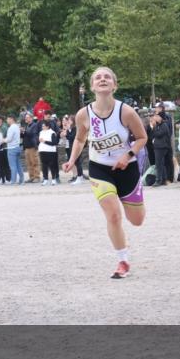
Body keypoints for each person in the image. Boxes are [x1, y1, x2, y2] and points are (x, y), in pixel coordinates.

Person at [63, 67, 149, 279]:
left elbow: (142, 138)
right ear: (92, 86)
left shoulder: (126, 111)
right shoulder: (83, 114)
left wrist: (127, 155)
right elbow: (80, 139)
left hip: (126, 168)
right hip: (100, 168)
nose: (102, 79)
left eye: (107, 77)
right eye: (98, 77)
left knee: (136, 220)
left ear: (114, 85)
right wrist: (73, 159)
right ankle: (123, 260)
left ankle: (133, 210)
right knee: (112, 214)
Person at [149, 111, 173, 187]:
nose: (154, 118)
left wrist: (153, 127)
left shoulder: (164, 125)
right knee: (161, 164)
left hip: (162, 147)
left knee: (158, 164)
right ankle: (163, 179)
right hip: (158, 147)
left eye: (156, 116)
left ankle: (158, 180)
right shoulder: (158, 125)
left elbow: (158, 134)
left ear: (160, 117)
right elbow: (152, 136)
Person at [37, 119, 60, 186]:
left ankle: (53, 179)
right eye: (42, 126)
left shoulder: (52, 133)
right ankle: (45, 179)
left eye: (43, 126)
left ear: (47, 126)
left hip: (50, 151)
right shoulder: (41, 132)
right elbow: (39, 141)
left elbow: (54, 143)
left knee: (52, 166)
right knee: (44, 166)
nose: (42, 127)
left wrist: (45, 141)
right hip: (42, 151)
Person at [21, 113, 41, 183]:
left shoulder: (34, 125)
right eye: (25, 117)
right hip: (26, 148)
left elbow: (31, 133)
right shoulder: (27, 126)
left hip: (32, 147)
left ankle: (37, 177)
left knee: (35, 162)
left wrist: (24, 131)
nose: (25, 119)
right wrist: (22, 132)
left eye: (27, 117)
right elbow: (24, 135)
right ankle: (31, 177)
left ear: (31, 118)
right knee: (29, 163)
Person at [4, 115, 24, 185]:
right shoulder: (17, 127)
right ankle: (22, 180)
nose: (7, 121)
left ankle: (13, 181)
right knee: (18, 165)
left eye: (8, 119)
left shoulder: (11, 128)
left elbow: (9, 139)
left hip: (12, 148)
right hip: (17, 147)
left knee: (12, 166)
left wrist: (3, 140)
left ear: (11, 119)